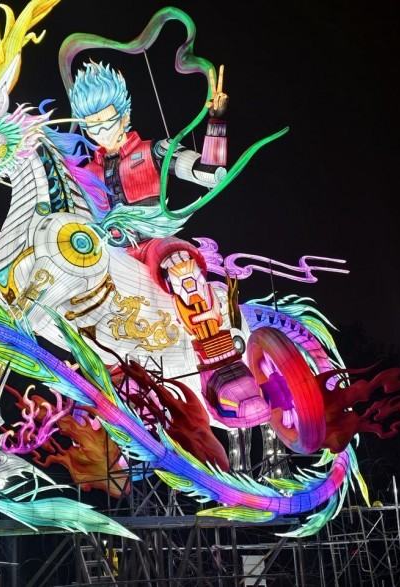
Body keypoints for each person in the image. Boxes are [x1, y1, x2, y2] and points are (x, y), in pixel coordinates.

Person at [69, 61, 272, 428]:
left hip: (152, 244)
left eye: (107, 121)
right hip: (110, 254)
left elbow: (210, 175)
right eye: (91, 126)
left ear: (124, 114)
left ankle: (222, 364)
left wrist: (217, 122)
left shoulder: (154, 152)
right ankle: (109, 378)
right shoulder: (85, 174)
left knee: (181, 267)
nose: (101, 132)